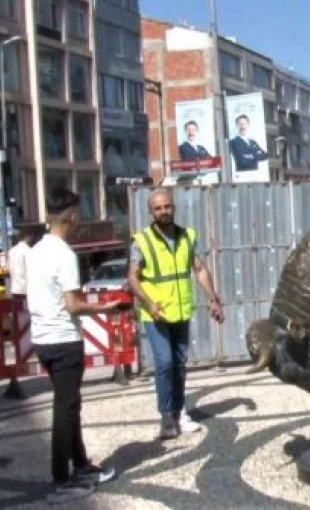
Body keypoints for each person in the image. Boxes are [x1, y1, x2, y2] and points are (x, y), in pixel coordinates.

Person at [27, 188, 129, 503]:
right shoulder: (65, 255)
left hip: (42, 339)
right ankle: (62, 478)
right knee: (65, 408)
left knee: (70, 404)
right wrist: (105, 308)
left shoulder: (36, 251)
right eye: (78, 214)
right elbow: (72, 305)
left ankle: (81, 465)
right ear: (72, 217)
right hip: (64, 340)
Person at [126, 188, 225, 440]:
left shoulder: (187, 236)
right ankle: (166, 416)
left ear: (174, 207)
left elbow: (199, 269)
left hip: (180, 310)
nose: (163, 212)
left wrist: (213, 299)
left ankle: (180, 412)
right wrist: (148, 303)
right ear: (151, 211)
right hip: (156, 314)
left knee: (180, 365)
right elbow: (132, 278)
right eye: (157, 208)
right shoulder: (142, 241)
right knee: (165, 362)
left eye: (166, 207)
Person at [7, 225, 34, 300]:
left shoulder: (12, 251)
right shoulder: (29, 251)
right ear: (28, 236)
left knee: (18, 310)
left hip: (15, 289)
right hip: (26, 289)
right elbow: (32, 270)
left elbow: (8, 269)